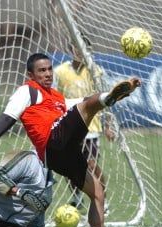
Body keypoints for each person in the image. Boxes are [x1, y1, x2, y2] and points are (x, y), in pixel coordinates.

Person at [0, 53, 141, 227]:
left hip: (63, 155)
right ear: (30, 74)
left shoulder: (57, 97)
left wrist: (121, 92)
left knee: (97, 192)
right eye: (42, 70)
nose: (48, 74)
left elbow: (83, 100)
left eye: (50, 69)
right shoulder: (27, 91)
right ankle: (109, 98)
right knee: (90, 105)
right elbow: (7, 118)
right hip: (51, 142)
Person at [54, 36, 114, 216]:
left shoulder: (96, 72)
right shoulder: (60, 71)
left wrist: (108, 125)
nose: (80, 52)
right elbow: (55, 99)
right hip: (69, 125)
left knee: (91, 163)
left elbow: (107, 100)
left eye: (84, 49)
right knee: (68, 165)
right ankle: (76, 197)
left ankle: (102, 197)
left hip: (91, 128)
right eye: (76, 48)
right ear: (71, 49)